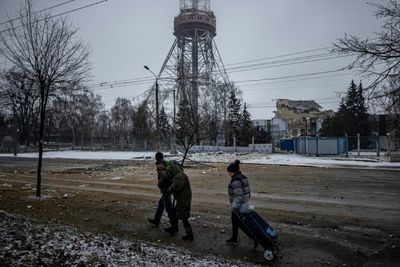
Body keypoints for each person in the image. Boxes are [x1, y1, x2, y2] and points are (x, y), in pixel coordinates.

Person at [148, 152, 178, 232]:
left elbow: (164, 176)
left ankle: (174, 226)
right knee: (161, 204)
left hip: (166, 189)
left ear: (156, 158)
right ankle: (156, 221)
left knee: (168, 208)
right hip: (170, 187)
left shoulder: (160, 165)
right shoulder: (165, 163)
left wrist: (160, 184)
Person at [165, 161, 193, 241]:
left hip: (183, 199)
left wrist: (169, 189)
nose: (169, 174)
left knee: (184, 217)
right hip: (183, 198)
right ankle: (173, 228)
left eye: (169, 172)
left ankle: (189, 235)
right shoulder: (180, 175)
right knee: (175, 213)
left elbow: (176, 188)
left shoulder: (178, 177)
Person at [226, 160, 251, 245]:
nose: (228, 173)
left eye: (229, 171)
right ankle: (234, 238)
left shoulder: (236, 181)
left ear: (232, 171)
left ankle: (253, 237)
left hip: (239, 206)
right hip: (244, 203)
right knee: (239, 223)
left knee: (238, 223)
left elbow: (239, 196)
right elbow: (247, 191)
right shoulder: (242, 176)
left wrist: (235, 208)